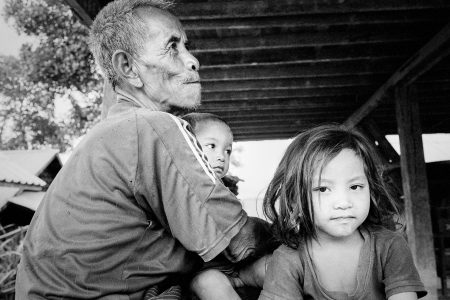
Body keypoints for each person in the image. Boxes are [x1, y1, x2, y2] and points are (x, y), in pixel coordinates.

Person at [15, 1, 272, 299]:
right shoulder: (153, 126)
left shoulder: (113, 132)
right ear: (128, 68)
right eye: (172, 47)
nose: (193, 61)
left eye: (187, 46)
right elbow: (238, 242)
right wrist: (295, 237)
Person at [259, 124, 427, 300]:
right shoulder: (287, 259)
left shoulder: (390, 246)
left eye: (355, 186)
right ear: (295, 199)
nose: (344, 202)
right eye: (323, 189)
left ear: (371, 188)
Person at [182, 113, 270, 300]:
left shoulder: (225, 190)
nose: (221, 156)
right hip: (204, 270)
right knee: (210, 284)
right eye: (211, 146)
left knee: (277, 266)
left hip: (240, 264)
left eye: (227, 150)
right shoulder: (182, 189)